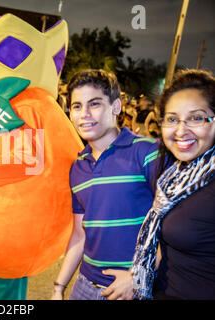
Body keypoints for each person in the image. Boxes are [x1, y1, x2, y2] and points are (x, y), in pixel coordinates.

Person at [101, 69, 215, 300]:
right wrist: (136, 274)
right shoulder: (174, 175)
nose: (181, 130)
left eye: (196, 117)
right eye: (172, 119)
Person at [51, 69, 163, 300]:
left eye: (94, 104)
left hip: (132, 288)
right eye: (77, 106)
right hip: (84, 286)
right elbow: (80, 235)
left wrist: (137, 275)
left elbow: (171, 225)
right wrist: (59, 287)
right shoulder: (78, 167)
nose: (84, 114)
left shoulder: (147, 152)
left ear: (116, 107)